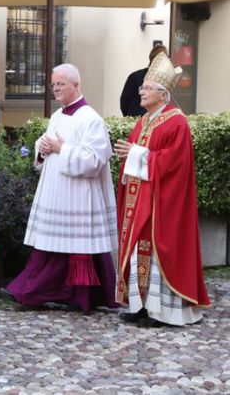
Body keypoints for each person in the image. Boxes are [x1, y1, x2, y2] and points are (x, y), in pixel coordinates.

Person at [0, 63, 119, 314]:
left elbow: (94, 161)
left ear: (76, 85)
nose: (55, 88)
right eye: (53, 84)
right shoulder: (58, 116)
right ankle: (45, 291)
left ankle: (69, 294)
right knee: (52, 246)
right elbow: (48, 145)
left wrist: (60, 149)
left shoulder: (91, 120)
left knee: (75, 248)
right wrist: (41, 149)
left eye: (61, 84)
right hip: (57, 194)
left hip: (79, 197)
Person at [114, 52, 210, 327]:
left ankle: (162, 311)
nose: (140, 91)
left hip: (161, 204)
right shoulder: (143, 120)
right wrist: (131, 156)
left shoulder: (176, 121)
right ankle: (141, 305)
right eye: (141, 87)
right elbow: (137, 155)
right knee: (137, 252)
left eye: (145, 88)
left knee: (156, 253)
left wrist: (137, 154)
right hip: (140, 200)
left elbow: (174, 164)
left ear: (163, 93)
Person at [120, 44, 168, 117]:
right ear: (152, 59)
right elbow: (124, 102)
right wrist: (131, 118)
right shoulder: (135, 77)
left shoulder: (164, 79)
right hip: (137, 119)